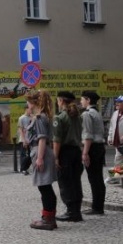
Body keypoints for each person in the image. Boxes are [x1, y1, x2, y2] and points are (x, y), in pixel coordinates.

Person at [27, 90, 59, 230]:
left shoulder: (40, 117)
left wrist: (39, 158)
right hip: (44, 151)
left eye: (28, 101)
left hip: (42, 152)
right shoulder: (44, 116)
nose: (27, 104)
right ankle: (48, 217)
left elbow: (42, 139)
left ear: (34, 102)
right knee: (45, 187)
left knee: (45, 187)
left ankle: (48, 219)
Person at [53, 91, 84, 223]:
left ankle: (71, 212)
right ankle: (76, 211)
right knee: (76, 182)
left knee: (65, 182)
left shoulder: (60, 117)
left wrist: (55, 157)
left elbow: (57, 139)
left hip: (65, 152)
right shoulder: (77, 116)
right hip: (76, 151)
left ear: (61, 101)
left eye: (58, 100)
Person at [80, 91, 106, 216]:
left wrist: (85, 153)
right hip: (100, 146)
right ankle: (99, 206)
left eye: (82, 99)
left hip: (92, 147)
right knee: (98, 178)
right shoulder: (97, 113)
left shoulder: (87, 114)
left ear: (88, 100)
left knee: (94, 178)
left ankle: (97, 207)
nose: (81, 102)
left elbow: (88, 135)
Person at [18, 105, 32, 175]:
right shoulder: (22, 118)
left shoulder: (32, 117)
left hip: (31, 139)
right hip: (24, 139)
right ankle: (23, 169)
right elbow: (20, 129)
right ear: (26, 109)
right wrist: (23, 140)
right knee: (23, 155)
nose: (31, 110)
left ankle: (25, 167)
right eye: (30, 109)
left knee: (31, 155)